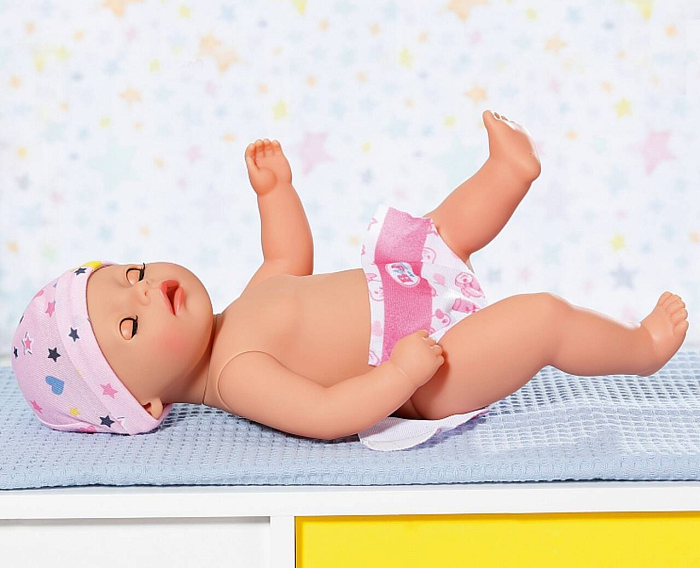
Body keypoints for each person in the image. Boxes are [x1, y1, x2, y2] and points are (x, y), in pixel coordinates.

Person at [11, 110, 689, 439]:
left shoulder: (238, 317)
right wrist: (401, 377)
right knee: (539, 318)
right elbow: (325, 415)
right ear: (145, 404)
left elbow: (287, 262)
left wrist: (275, 194)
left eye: (131, 272)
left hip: (401, 288)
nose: (142, 289)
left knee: (442, 230)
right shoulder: (238, 374)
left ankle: (509, 173)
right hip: (432, 372)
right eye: (130, 324)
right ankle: (642, 348)